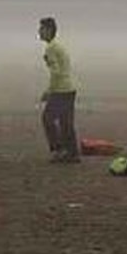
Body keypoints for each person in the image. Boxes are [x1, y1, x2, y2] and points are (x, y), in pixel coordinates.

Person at [39, 17, 80, 163]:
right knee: (66, 122)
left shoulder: (51, 48)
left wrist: (49, 91)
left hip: (61, 89)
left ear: (49, 30)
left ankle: (59, 150)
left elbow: (56, 72)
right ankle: (72, 152)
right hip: (70, 88)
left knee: (48, 119)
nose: (39, 32)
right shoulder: (58, 46)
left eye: (42, 29)